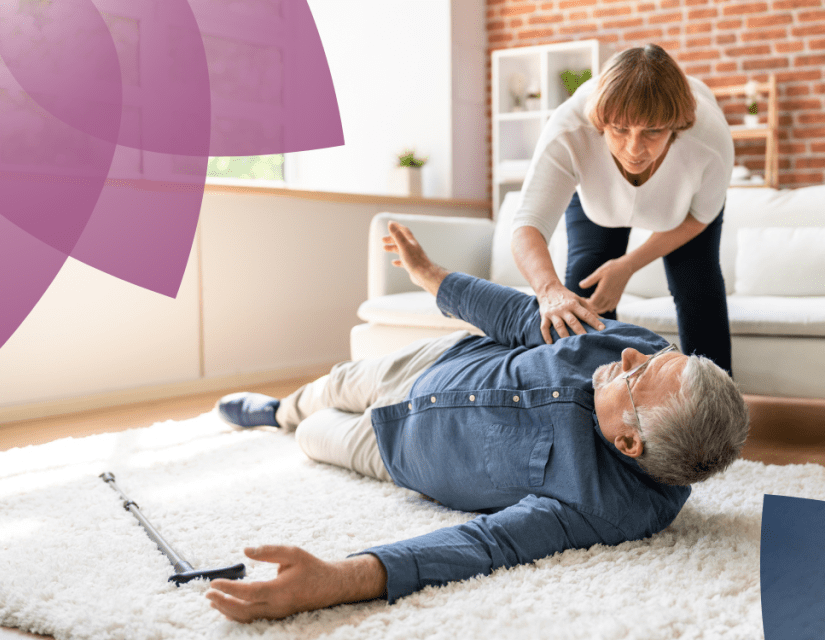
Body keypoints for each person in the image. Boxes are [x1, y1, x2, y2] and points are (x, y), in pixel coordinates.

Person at [205, 221, 750, 623]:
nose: (632, 355)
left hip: (402, 452)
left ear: (629, 442)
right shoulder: (633, 348)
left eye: (636, 377)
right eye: (658, 356)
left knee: (314, 434)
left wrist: (340, 579)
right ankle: (275, 410)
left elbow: (490, 544)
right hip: (439, 363)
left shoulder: (611, 509)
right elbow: (520, 316)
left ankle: (295, 424)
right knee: (336, 382)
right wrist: (430, 276)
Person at [510, 44, 735, 374]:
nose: (634, 150)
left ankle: (717, 418)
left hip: (683, 212)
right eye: (619, 129)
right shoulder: (569, 131)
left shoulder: (709, 142)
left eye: (653, 131)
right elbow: (527, 225)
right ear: (601, 124)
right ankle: (593, 408)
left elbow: (699, 217)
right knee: (583, 293)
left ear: (676, 127)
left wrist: (628, 265)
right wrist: (550, 292)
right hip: (599, 200)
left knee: (697, 290)